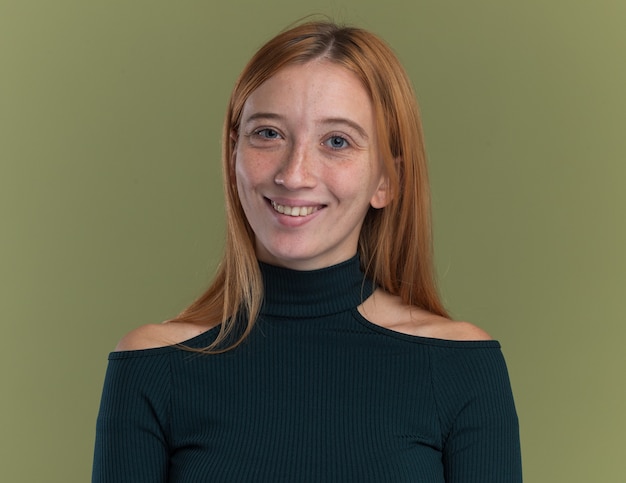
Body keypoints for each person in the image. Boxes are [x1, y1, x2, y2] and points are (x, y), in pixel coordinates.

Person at [92, 20, 522, 482]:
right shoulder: (152, 367)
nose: (294, 175)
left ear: (387, 180)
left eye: (336, 142)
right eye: (268, 134)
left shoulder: (462, 367)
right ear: (233, 154)